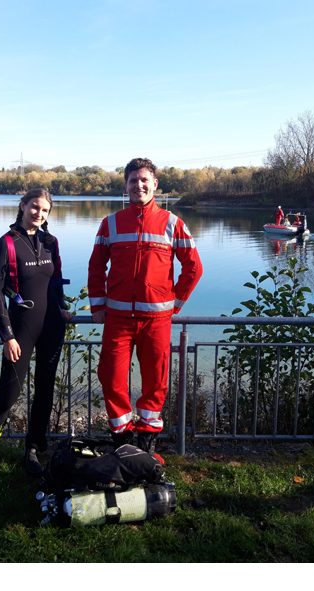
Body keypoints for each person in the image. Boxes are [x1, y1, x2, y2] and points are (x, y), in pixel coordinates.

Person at [88, 158, 203, 456]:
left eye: (144, 180)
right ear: (125, 186)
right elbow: (96, 267)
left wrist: (173, 303)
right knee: (111, 380)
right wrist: (97, 305)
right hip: (118, 319)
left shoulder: (172, 222)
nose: (138, 185)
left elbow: (193, 268)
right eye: (132, 181)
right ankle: (123, 445)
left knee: (155, 384)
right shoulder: (110, 223)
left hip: (157, 320)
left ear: (154, 185)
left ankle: (147, 447)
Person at [0, 188, 73, 483]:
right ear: (23, 206)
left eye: (45, 210)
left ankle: (33, 450)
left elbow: (56, 280)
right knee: (8, 394)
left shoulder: (51, 243)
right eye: (35, 207)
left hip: (51, 325)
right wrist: (7, 335)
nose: (39, 214)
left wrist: (63, 307)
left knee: (45, 390)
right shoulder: (6, 244)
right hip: (20, 328)